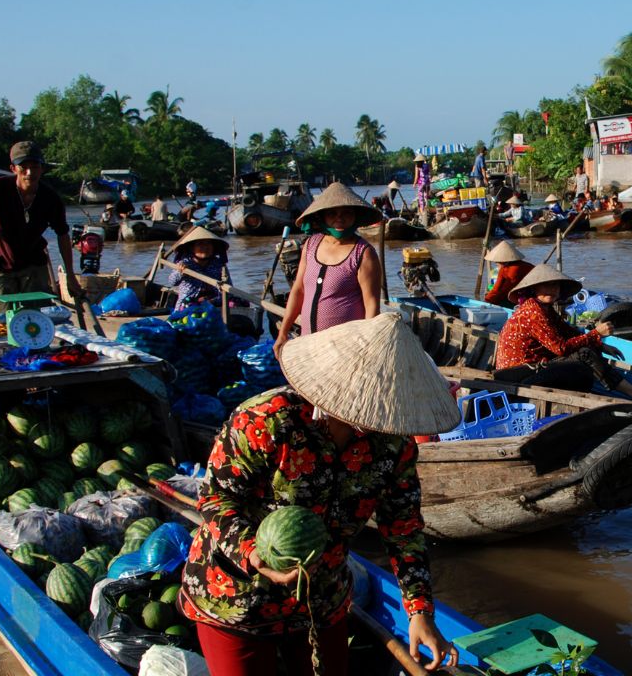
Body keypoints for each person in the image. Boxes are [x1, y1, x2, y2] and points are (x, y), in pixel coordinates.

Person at [180, 313, 460, 675]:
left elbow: (403, 528)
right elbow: (216, 498)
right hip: (237, 596)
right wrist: (254, 554)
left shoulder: (394, 445)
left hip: (321, 599)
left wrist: (420, 611)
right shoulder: (266, 421)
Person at [494, 264, 632, 402]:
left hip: (532, 369)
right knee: (584, 354)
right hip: (518, 375)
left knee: (587, 348)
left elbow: (569, 332)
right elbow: (561, 348)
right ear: (534, 289)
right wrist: (596, 333)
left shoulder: (545, 308)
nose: (552, 289)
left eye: (555, 285)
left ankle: (617, 387)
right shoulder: (533, 312)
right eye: (546, 285)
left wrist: (600, 344)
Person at [0, 141, 80, 311]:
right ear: (13, 169)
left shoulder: (50, 198)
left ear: (42, 169)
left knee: (37, 317)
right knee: (2, 317)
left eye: (35, 167)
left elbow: (63, 235)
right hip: (0, 264)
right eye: (23, 167)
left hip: (34, 265)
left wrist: (70, 275)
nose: (29, 173)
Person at [273, 183, 383, 358]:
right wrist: (283, 332)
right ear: (322, 217)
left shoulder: (363, 253)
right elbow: (298, 291)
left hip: (346, 349)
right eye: (332, 214)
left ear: (356, 216)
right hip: (309, 344)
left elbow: (371, 305)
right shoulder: (311, 245)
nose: (340, 219)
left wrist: (367, 349)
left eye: (346, 213)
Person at [167, 227, 231, 309]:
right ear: (192, 248)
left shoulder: (219, 264)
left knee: (236, 302)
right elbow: (172, 282)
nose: (205, 247)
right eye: (200, 244)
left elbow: (229, 287)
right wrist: (180, 272)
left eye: (208, 243)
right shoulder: (185, 263)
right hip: (188, 303)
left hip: (214, 302)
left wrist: (214, 300)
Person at [483, 241, 534, 308]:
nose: (496, 262)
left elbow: (507, 289)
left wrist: (492, 301)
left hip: (528, 291)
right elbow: (497, 287)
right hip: (515, 290)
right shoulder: (503, 268)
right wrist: (487, 299)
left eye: (498, 261)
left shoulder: (516, 268)